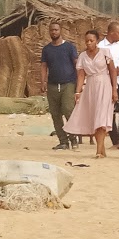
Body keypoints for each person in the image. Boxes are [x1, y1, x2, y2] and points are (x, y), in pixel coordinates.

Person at [63, 30, 118, 158]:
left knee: (101, 117)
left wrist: (114, 89)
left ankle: (98, 151)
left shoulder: (105, 53)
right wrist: (78, 91)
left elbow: (113, 71)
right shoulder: (82, 56)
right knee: (94, 116)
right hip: (90, 87)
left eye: (91, 41)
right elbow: (81, 75)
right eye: (87, 41)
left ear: (97, 41)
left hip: (104, 85)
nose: (89, 43)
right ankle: (102, 149)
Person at [38, 22, 80, 150]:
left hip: (68, 83)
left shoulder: (69, 47)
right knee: (55, 114)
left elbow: (76, 64)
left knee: (68, 110)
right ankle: (63, 141)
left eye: (56, 30)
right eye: (51, 30)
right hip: (52, 85)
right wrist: (43, 82)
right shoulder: (47, 49)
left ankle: (73, 139)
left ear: (60, 31)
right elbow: (44, 66)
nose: (54, 32)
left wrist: (79, 83)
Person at [99, 22, 119, 149]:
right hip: (107, 81)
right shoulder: (100, 46)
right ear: (111, 33)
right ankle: (114, 140)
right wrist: (112, 71)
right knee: (110, 110)